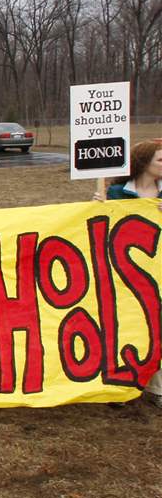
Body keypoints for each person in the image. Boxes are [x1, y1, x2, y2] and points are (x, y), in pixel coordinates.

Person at [94, 138, 162, 409]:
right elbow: (101, 228)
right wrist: (97, 208)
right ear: (144, 163)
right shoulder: (118, 194)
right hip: (127, 273)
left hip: (158, 272)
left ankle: (157, 388)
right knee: (128, 324)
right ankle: (122, 382)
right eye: (160, 159)